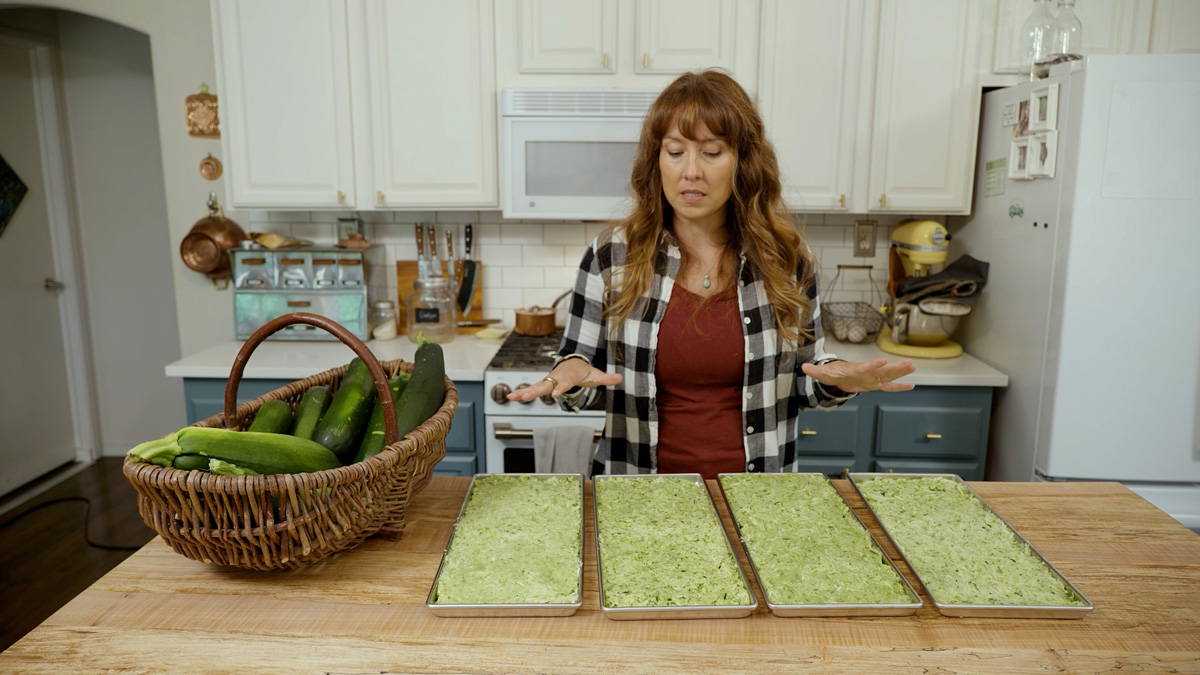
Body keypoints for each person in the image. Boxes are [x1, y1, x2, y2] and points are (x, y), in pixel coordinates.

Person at [509, 69, 916, 479]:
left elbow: (807, 379)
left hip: (756, 500)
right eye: (675, 151)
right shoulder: (612, 256)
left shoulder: (787, 260)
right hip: (637, 498)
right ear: (657, 161)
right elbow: (577, 370)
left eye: (711, 152)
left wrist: (840, 379)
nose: (691, 171)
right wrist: (572, 377)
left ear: (742, 161)